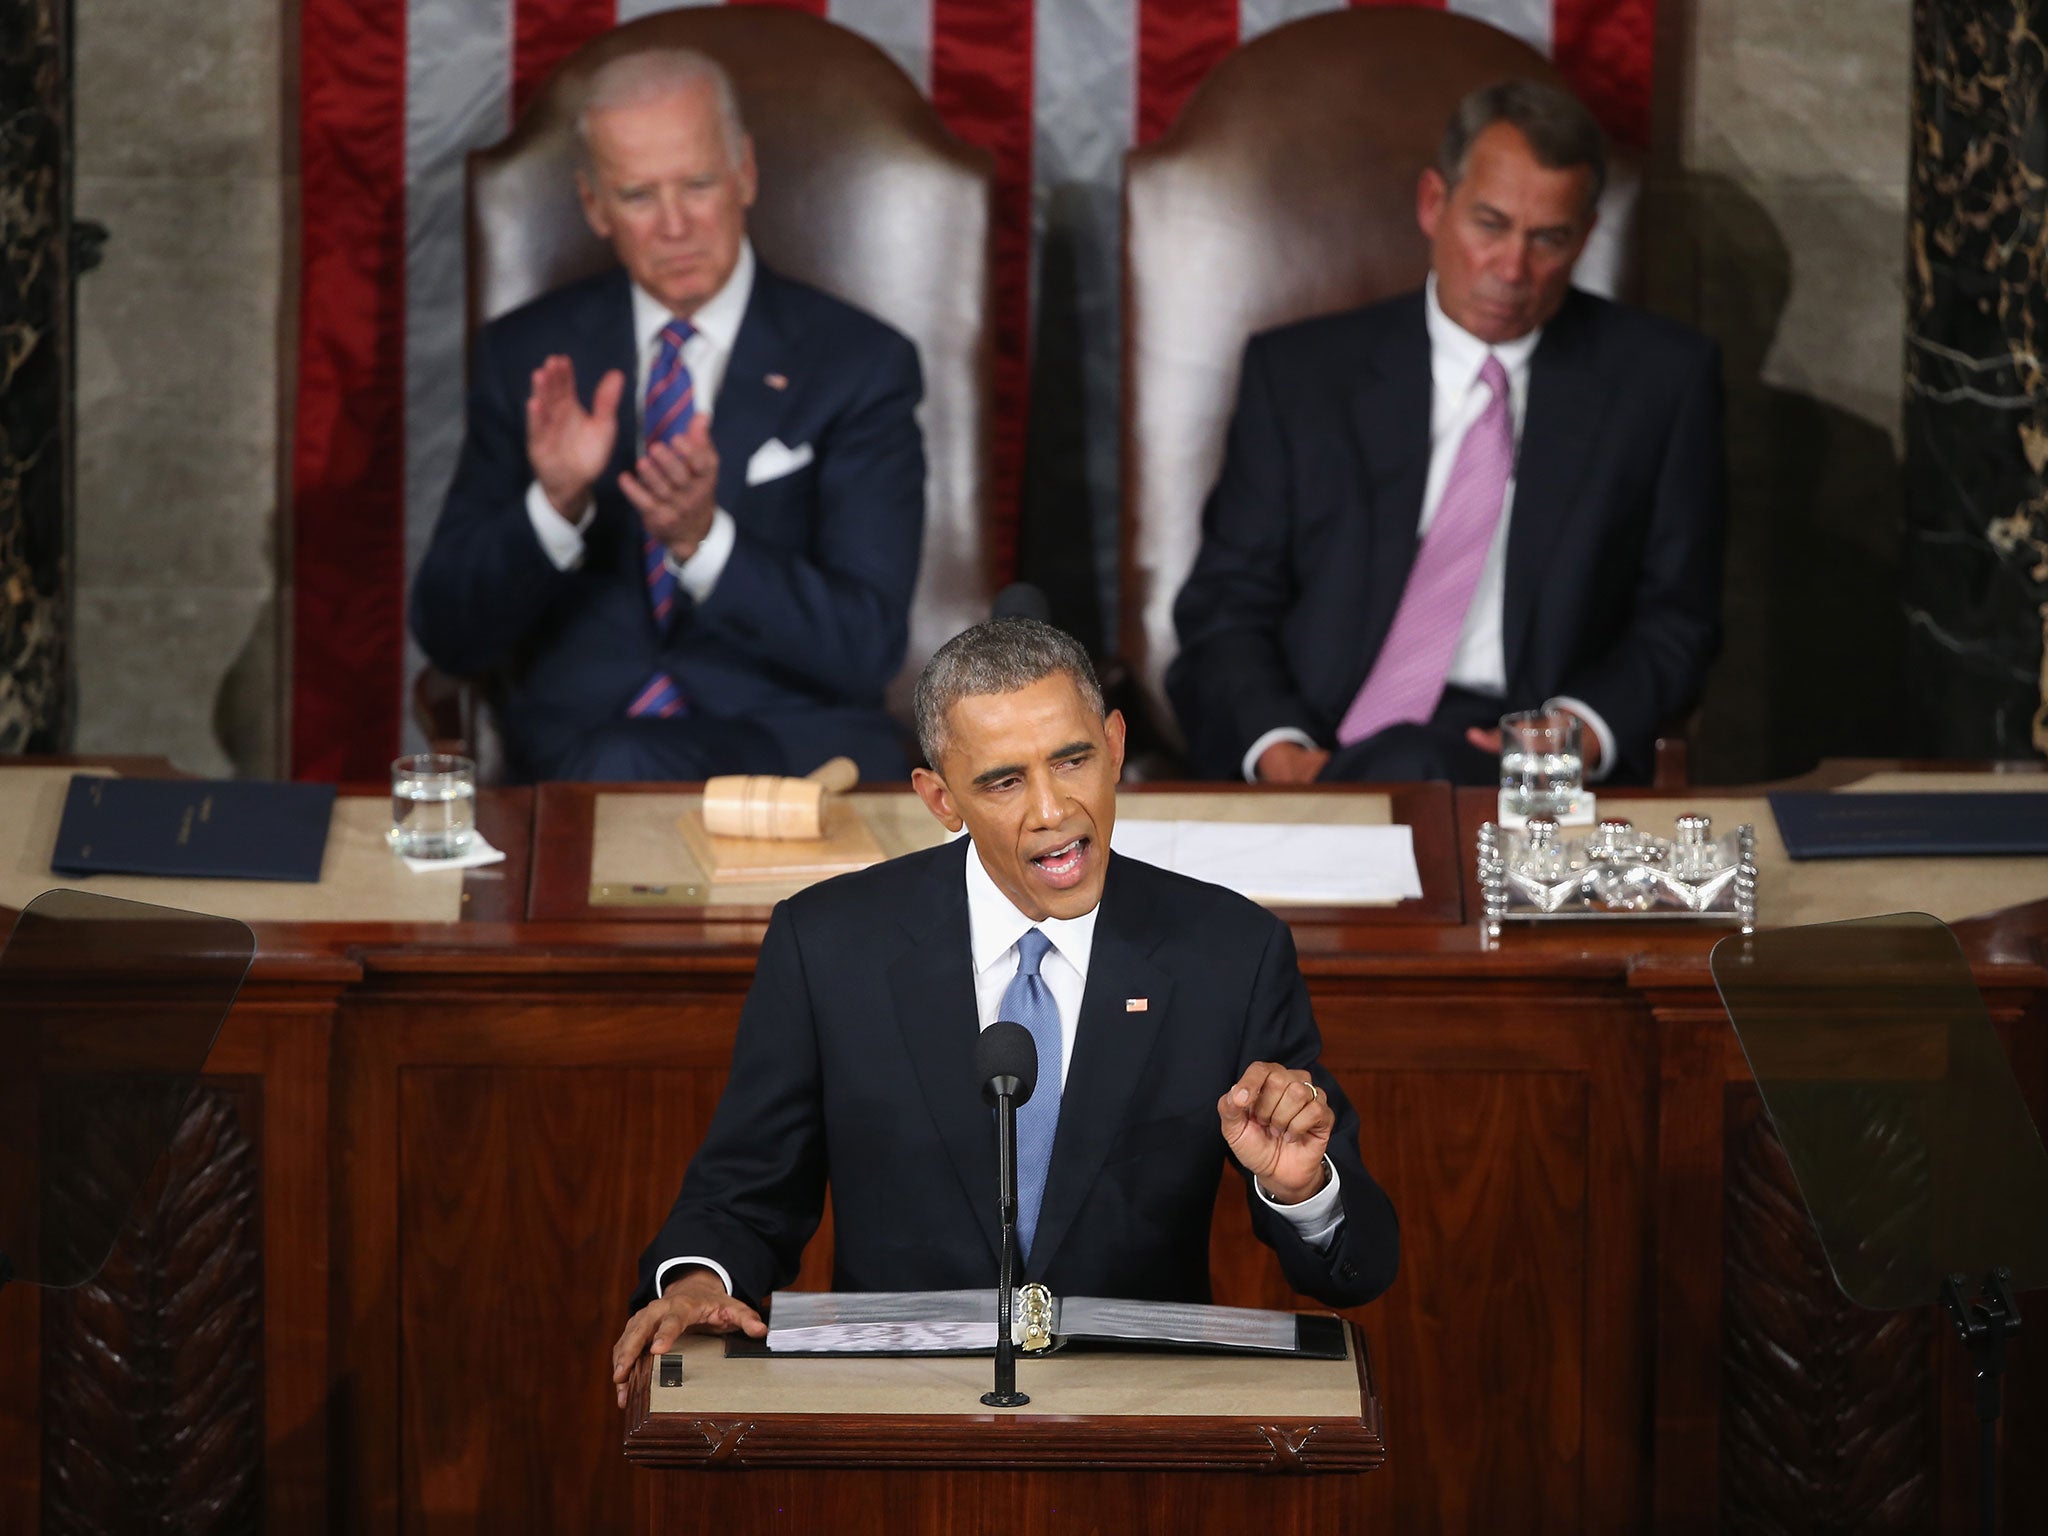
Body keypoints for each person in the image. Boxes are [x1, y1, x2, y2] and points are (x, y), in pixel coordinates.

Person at [610, 618, 1399, 1402]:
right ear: (941, 798)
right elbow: (743, 1193)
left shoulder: (1230, 952)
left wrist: (1303, 1190)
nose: (1053, 809)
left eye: (1073, 759)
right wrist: (690, 1284)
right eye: (1004, 781)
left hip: (1137, 1417)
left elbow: (1358, 1266)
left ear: (1116, 744)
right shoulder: (828, 945)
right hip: (893, 1413)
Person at [1169, 78, 1724, 788]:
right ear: (1435, 204)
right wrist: (1282, 756)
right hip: (1324, 748)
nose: (1513, 269)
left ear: (1585, 237)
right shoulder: (1301, 377)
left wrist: (1573, 736)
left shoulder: (1660, 384)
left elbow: (1678, 619)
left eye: (1548, 239)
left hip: (1524, 762)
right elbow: (1226, 604)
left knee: (1426, 767)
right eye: (1490, 225)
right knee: (1400, 766)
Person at [411, 48, 925, 783]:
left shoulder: (859, 364)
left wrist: (703, 541)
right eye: (638, 196)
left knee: (628, 765)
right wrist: (553, 506)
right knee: (613, 765)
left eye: (698, 184)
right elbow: (450, 636)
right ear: (594, 205)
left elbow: (865, 645)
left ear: (744, 172)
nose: (675, 225)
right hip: (577, 760)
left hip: (790, 755)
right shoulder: (528, 358)